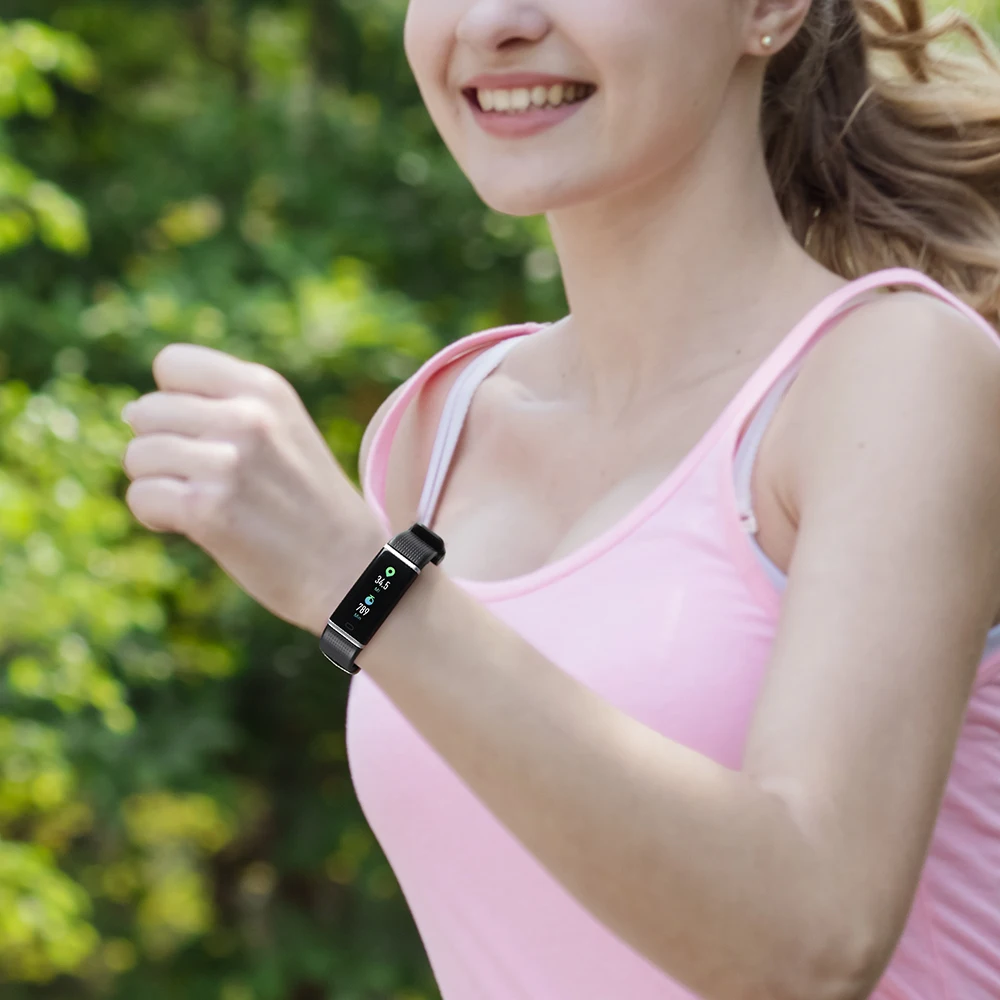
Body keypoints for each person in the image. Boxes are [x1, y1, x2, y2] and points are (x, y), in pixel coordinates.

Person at [119, 1, 1000, 998]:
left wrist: (358, 583)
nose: (493, 21)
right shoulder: (437, 431)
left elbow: (813, 944)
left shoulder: (897, 374)